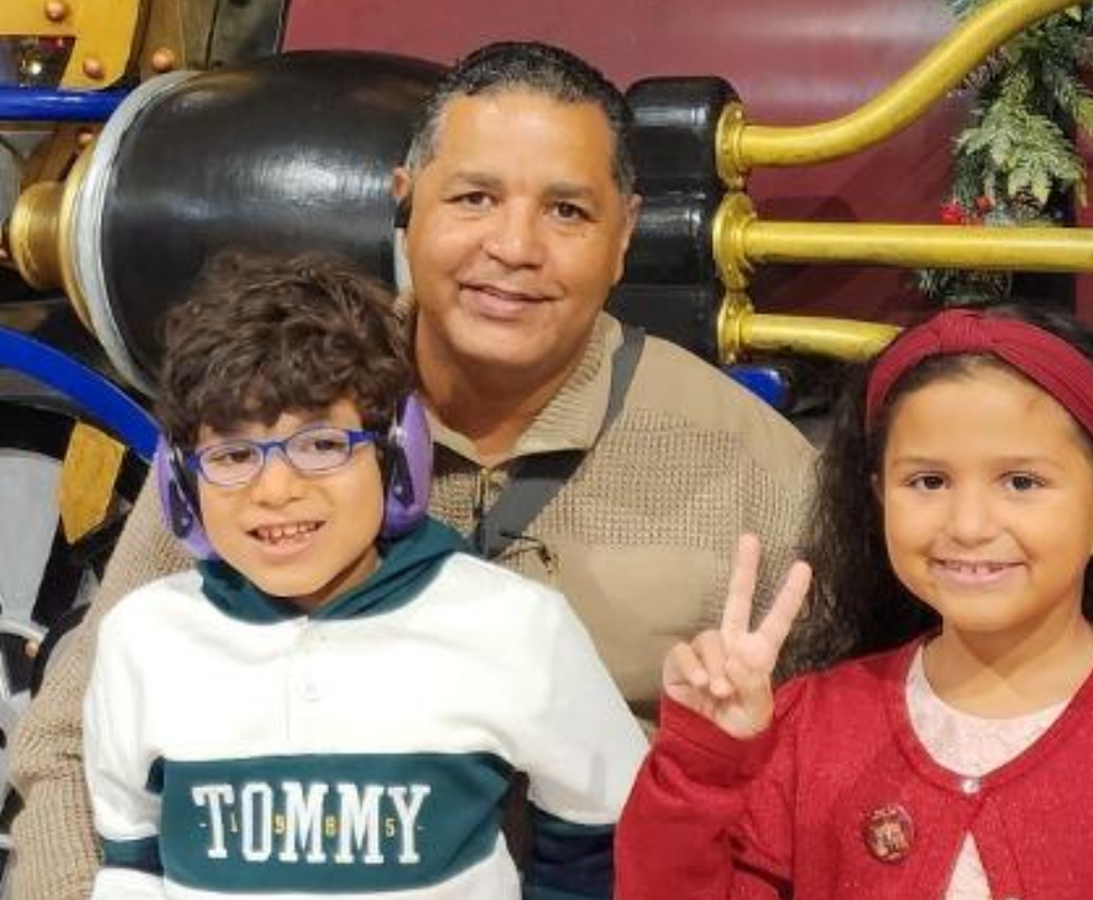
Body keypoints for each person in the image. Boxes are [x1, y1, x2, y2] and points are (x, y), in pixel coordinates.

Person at [10, 40, 816, 900]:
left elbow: (820, 786)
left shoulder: (754, 467)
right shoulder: (262, 411)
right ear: (406, 201)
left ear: (624, 235)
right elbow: (67, 746)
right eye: (473, 198)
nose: (514, 246)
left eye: (568, 211)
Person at [84, 252, 646, 899]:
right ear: (181, 484)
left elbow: (602, 830)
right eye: (233, 455)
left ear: (396, 455)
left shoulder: (515, 626)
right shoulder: (142, 639)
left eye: (321, 445)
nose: (275, 489)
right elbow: (131, 858)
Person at [616, 304, 1093, 899]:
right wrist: (702, 767)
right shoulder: (810, 725)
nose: (968, 525)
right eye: (928, 482)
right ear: (879, 499)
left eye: (1022, 482)